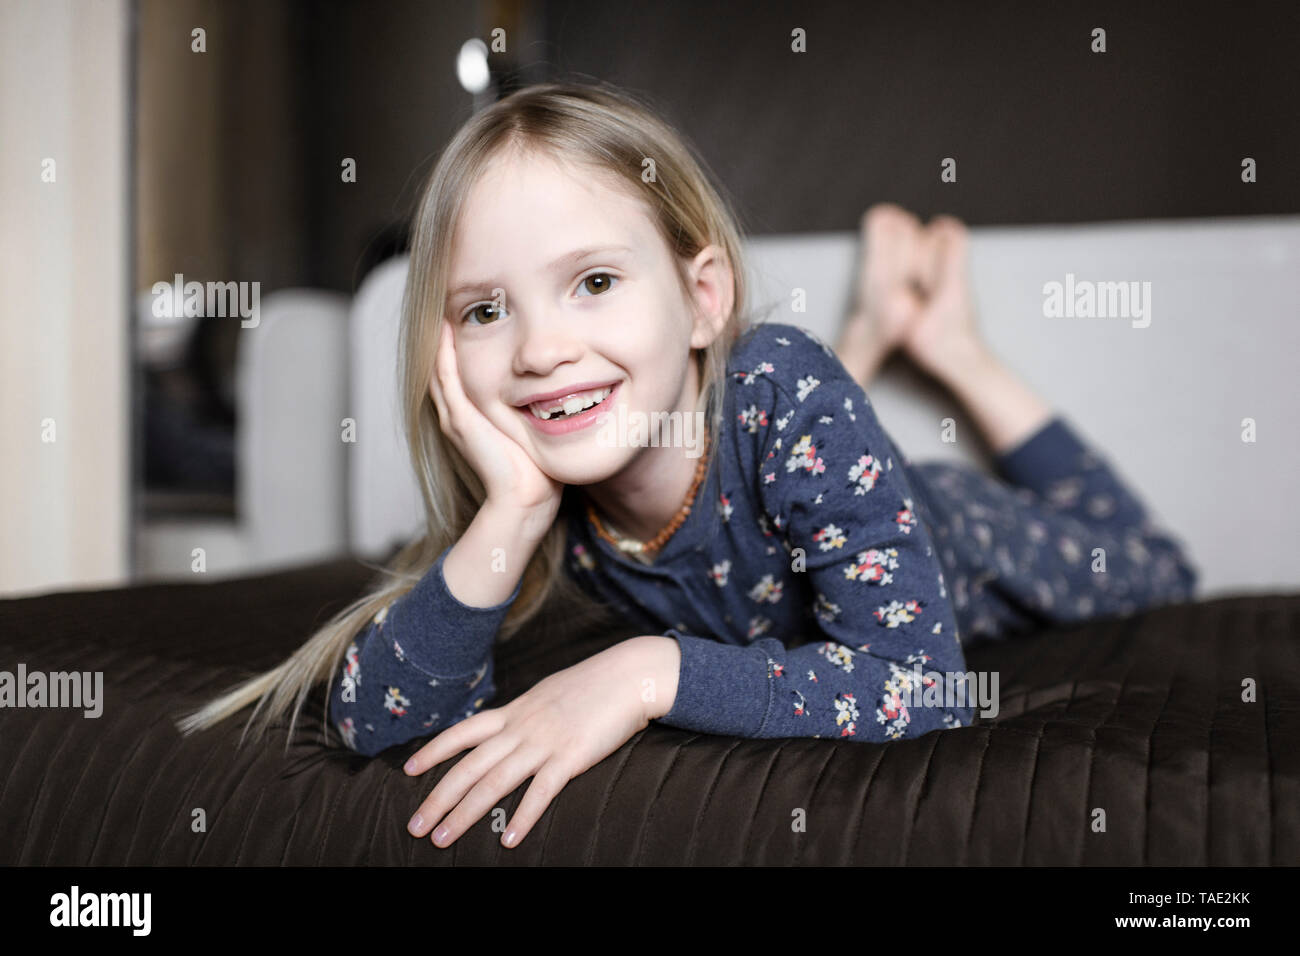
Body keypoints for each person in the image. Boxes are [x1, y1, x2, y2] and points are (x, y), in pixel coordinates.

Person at [175, 81, 1198, 852]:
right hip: (807, 469)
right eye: (485, 310)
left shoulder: (777, 384)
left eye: (594, 281)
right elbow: (372, 719)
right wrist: (509, 514)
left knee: (1151, 563)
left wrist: (649, 668)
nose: (537, 350)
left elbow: (919, 684)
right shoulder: (549, 495)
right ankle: (879, 339)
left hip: (957, 534)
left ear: (702, 298)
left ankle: (946, 343)